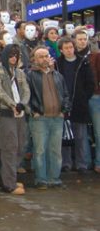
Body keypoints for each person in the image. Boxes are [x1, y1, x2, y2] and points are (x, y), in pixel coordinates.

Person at [26, 46, 71, 189]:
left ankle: (54, 178)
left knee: (55, 150)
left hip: (57, 118)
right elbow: (26, 97)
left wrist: (64, 110)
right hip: (40, 118)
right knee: (40, 150)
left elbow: (66, 95)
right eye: (41, 56)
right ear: (34, 59)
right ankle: (41, 179)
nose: (45, 59)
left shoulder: (57, 75)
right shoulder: (30, 75)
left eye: (46, 56)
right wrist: (33, 112)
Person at [0, 44, 30, 194]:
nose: (14, 58)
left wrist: (22, 104)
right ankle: (9, 184)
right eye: (11, 55)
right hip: (6, 112)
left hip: (20, 112)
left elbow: (26, 90)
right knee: (10, 147)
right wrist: (13, 104)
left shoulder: (20, 72)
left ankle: (7, 178)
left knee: (21, 146)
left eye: (16, 55)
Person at [55, 37, 94, 173]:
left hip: (79, 104)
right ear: (61, 50)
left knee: (80, 136)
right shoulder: (57, 64)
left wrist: (83, 97)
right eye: (66, 48)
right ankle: (66, 163)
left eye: (71, 47)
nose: (69, 50)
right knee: (65, 135)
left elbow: (90, 83)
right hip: (63, 103)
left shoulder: (83, 62)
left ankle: (81, 163)